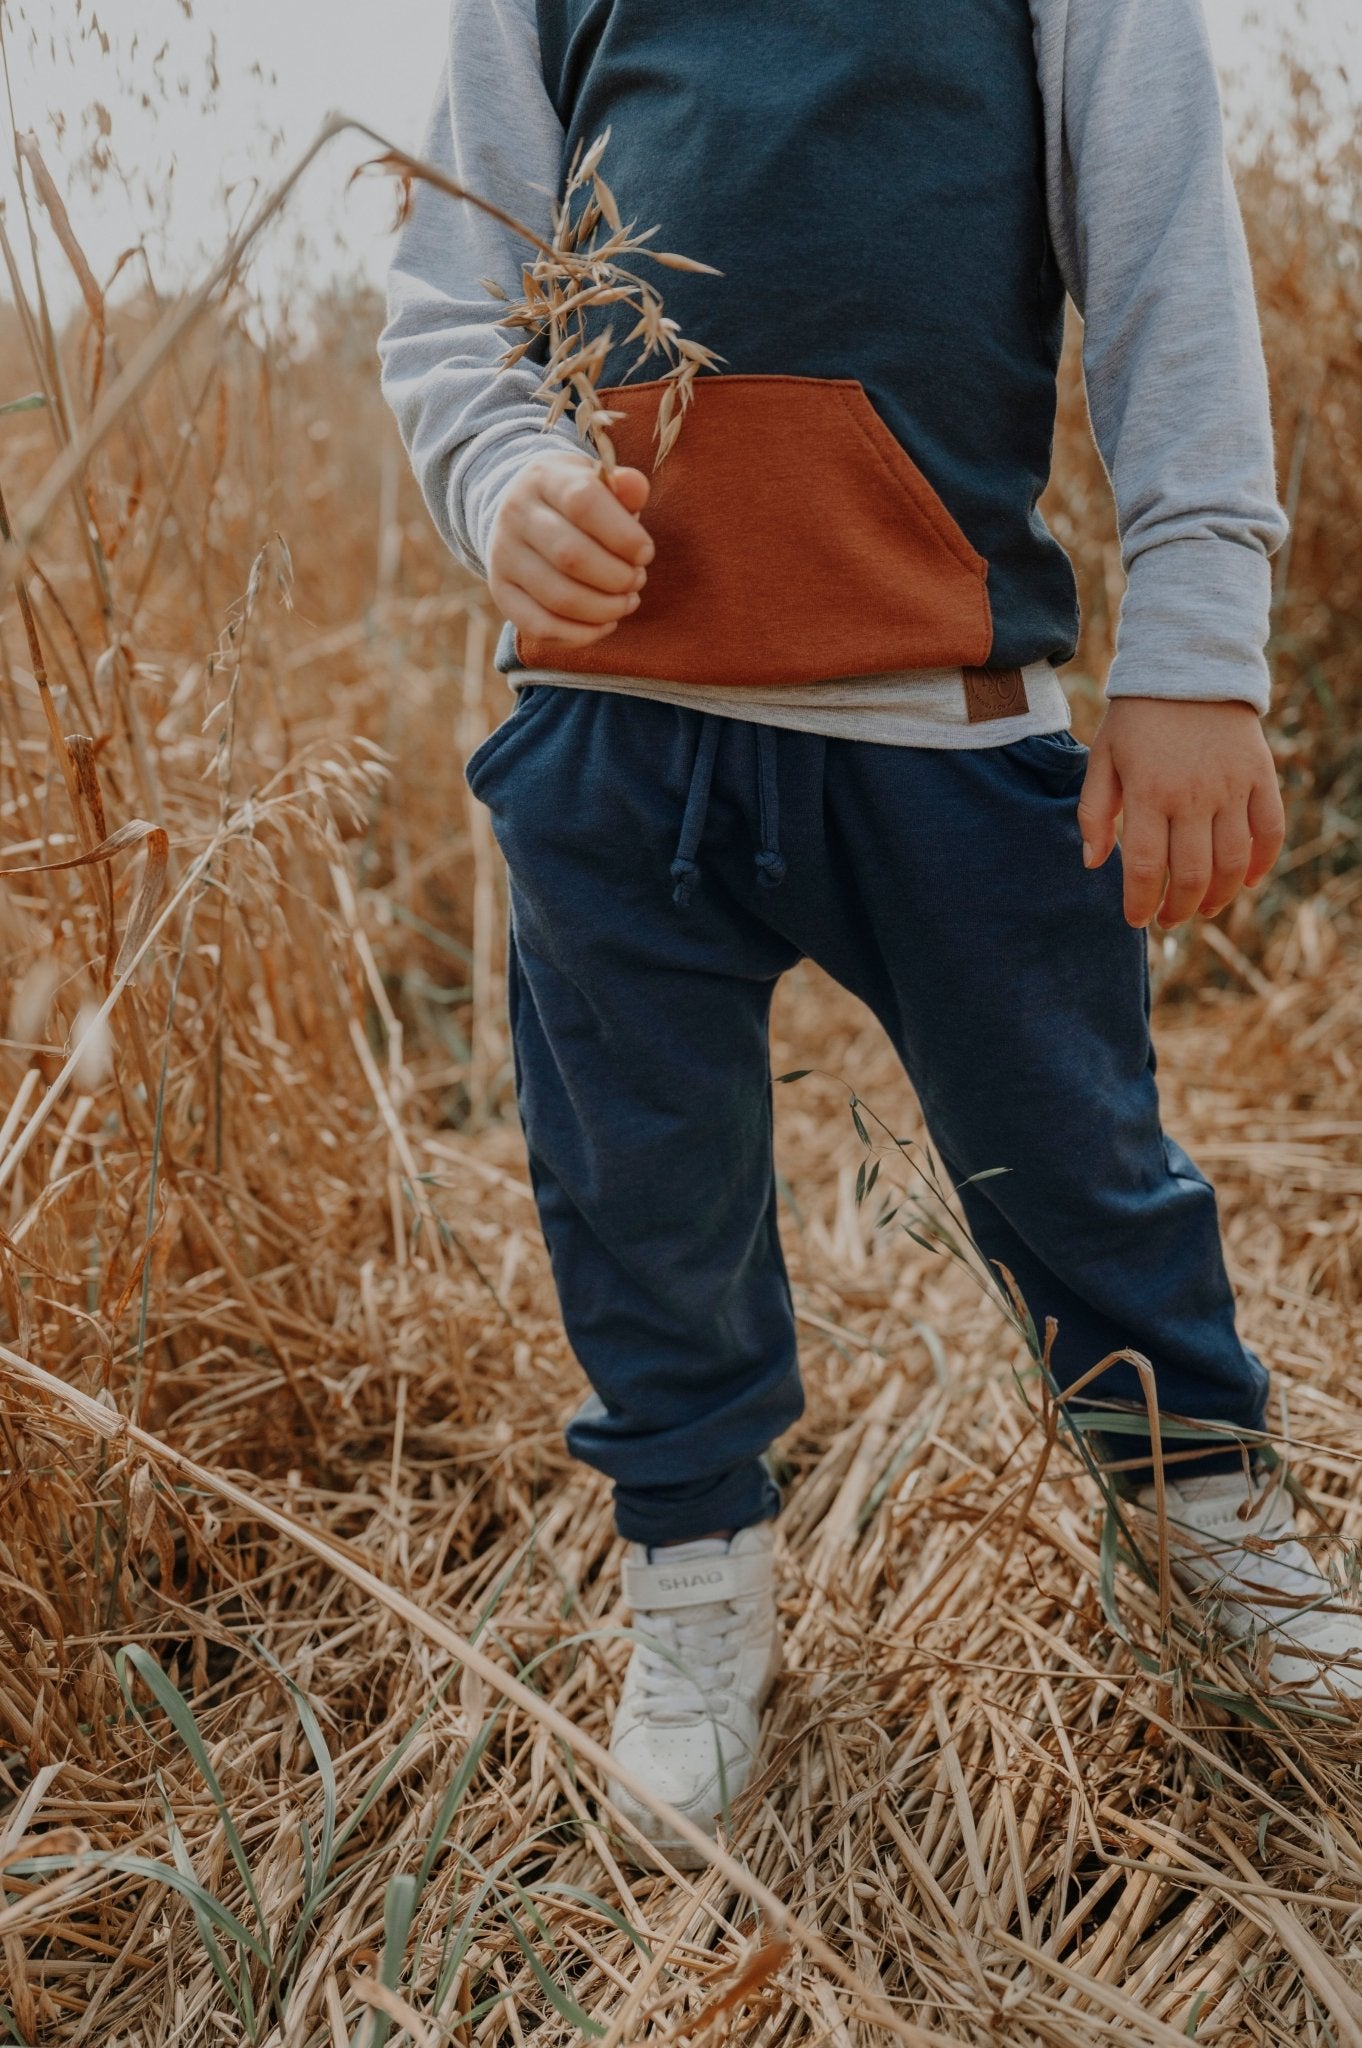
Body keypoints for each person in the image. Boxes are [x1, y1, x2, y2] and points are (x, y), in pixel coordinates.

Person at [380, 0, 1362, 1867]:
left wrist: (1195, 651)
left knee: (1076, 1160)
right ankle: (692, 1589)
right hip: (610, 736)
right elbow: (455, 290)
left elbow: (1169, 268)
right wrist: (500, 482)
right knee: (642, 1196)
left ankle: (1210, 1520)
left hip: (946, 727)